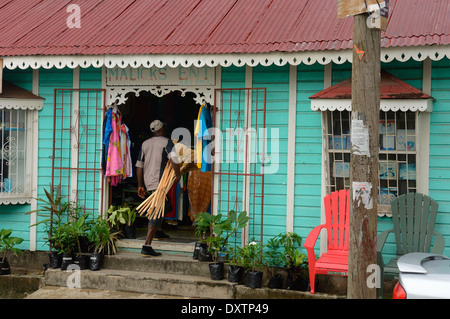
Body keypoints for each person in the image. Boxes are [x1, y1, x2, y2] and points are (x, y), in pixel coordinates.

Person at [136, 120, 181, 257]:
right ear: (162, 129)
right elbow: (173, 159)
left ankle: (158, 230)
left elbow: (139, 165)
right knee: (156, 211)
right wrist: (178, 174)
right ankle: (147, 245)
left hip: (149, 181)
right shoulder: (167, 142)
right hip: (160, 183)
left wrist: (140, 185)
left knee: (165, 206)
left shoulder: (145, 144)